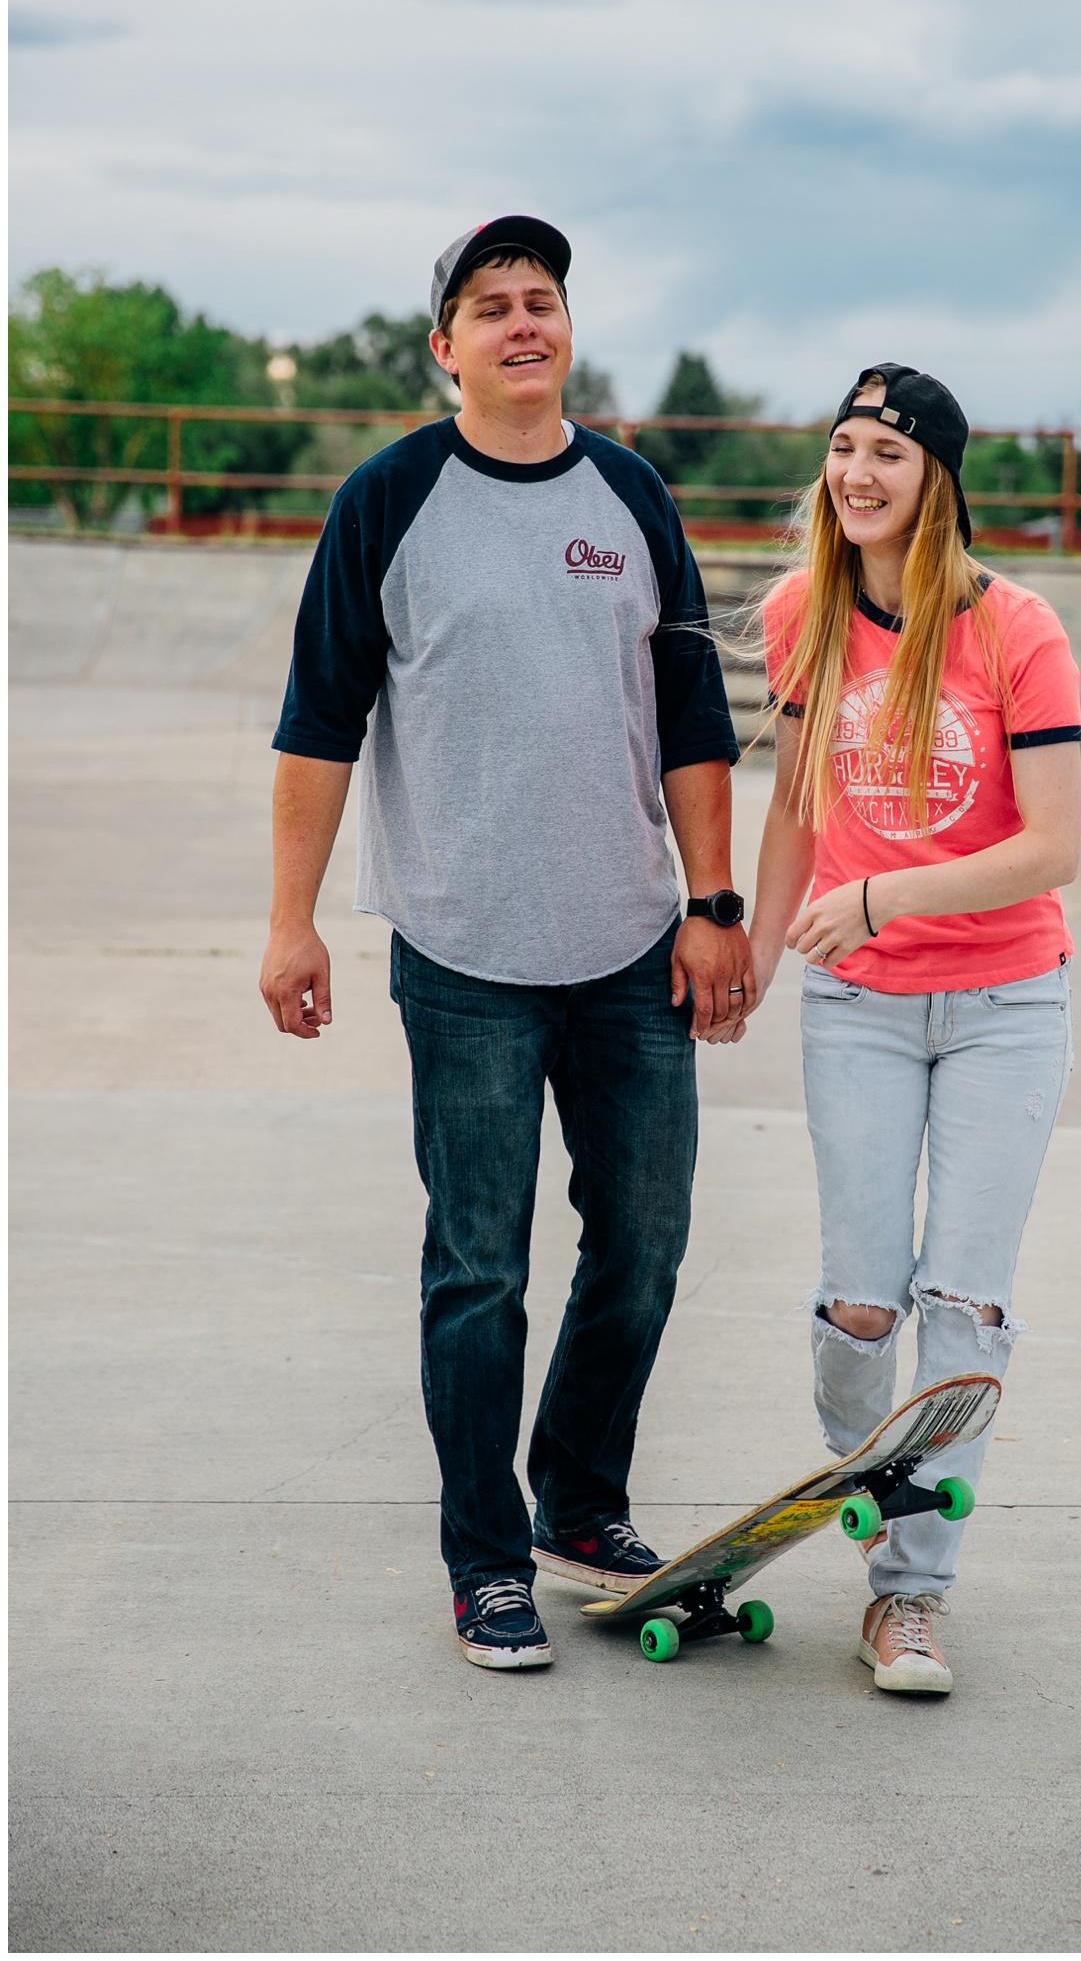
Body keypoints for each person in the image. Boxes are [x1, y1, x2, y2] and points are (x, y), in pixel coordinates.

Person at [259, 216, 754, 1672]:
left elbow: (694, 719)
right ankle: (486, 1560)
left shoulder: (634, 495)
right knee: (478, 1265)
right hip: (464, 951)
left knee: (647, 1243)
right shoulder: (391, 498)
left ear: (567, 331)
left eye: (543, 301)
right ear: (448, 347)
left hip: (628, 946)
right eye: (493, 306)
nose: (523, 323)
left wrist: (714, 904)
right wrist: (291, 918)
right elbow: (317, 723)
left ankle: (579, 1499)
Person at [746, 362, 1081, 1695]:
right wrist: (749, 949)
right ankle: (884, 1494)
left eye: (888, 450)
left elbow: (1053, 845)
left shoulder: (1018, 630)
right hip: (859, 1010)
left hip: (1007, 1004)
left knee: (963, 1305)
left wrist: (881, 891)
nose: (858, 472)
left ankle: (908, 1595)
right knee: (861, 1308)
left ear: (937, 478)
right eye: (842, 446)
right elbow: (787, 813)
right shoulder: (800, 616)